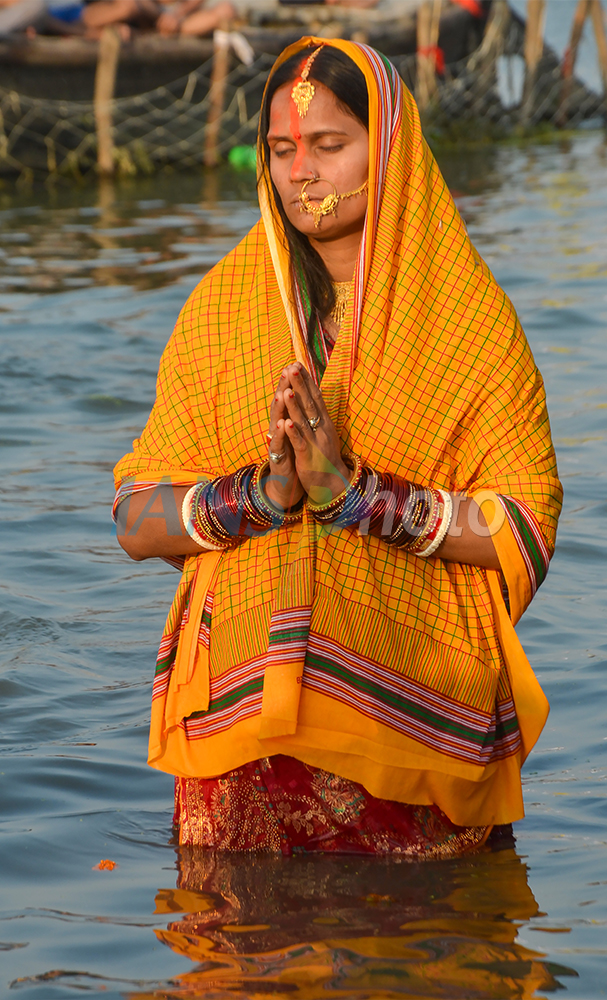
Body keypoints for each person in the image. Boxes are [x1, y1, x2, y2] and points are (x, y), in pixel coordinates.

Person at [113, 38, 562, 857]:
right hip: (243, 749)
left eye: (329, 145)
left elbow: (523, 528)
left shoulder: (467, 319)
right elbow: (137, 517)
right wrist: (261, 497)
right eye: (283, 150)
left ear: (386, 145)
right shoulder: (220, 307)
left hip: (411, 736)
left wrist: (356, 497)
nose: (301, 174)